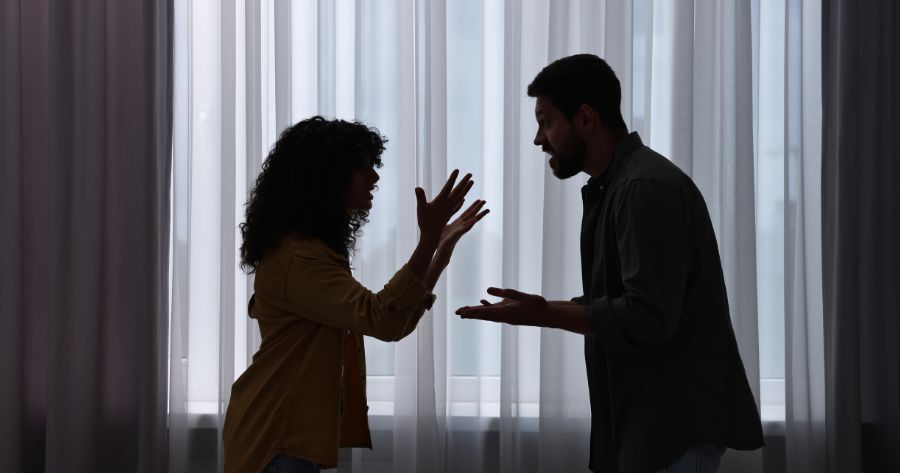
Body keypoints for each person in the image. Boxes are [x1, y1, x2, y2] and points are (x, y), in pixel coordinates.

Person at [456, 54, 764, 473]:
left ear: (585, 118)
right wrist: (539, 311)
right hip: (652, 430)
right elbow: (624, 303)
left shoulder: (643, 188)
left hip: (672, 433)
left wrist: (544, 314)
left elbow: (647, 315)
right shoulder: (619, 186)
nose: (539, 139)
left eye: (546, 121)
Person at [224, 116, 489, 473]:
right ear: (327, 176)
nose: (374, 177)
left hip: (281, 438)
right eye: (361, 167)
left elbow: (392, 322)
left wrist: (438, 253)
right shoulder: (300, 260)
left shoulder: (307, 251)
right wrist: (428, 242)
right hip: (275, 438)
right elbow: (381, 318)